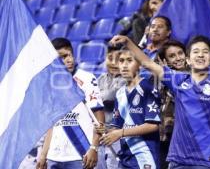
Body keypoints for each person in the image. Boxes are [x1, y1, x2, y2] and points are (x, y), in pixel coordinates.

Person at [109, 34, 210, 168]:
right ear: (188, 59)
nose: (200, 55)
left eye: (205, 52)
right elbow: (148, 64)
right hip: (178, 159)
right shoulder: (178, 79)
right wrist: (128, 42)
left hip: (206, 160)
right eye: (196, 51)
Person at [36, 38, 105, 169]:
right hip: (54, 157)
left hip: (81, 155)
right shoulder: (49, 84)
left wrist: (94, 147)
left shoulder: (87, 78)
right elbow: (52, 123)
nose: (69, 60)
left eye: (69, 55)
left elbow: (99, 117)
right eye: (62, 57)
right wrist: (44, 154)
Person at [98, 48, 161, 169]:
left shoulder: (149, 88)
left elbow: (153, 125)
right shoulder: (120, 93)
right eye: (121, 61)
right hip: (125, 157)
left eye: (129, 60)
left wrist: (121, 133)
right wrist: (104, 129)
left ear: (139, 65)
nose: (124, 65)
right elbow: (117, 127)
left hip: (145, 156)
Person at [157, 40, 187, 169]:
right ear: (165, 61)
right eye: (172, 56)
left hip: (185, 137)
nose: (178, 58)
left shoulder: (194, 76)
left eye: (180, 53)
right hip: (164, 135)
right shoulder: (159, 80)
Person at [97, 45, 125, 169]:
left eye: (118, 59)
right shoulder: (100, 79)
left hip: (119, 135)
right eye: (110, 58)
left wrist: (94, 97)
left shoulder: (127, 79)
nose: (114, 63)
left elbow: (110, 95)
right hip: (101, 134)